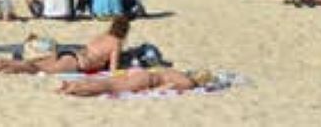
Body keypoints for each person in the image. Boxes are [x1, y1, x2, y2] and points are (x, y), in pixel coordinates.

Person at [0, 17, 129, 75]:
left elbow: (86, 49)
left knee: (35, 65)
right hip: (76, 63)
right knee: (38, 69)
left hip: (71, 54)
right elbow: (113, 69)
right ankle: (0, 62)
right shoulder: (116, 43)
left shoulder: (101, 36)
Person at [57, 67, 212, 97]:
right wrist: (152, 91)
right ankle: (73, 89)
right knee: (109, 86)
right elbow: (168, 86)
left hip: (143, 72)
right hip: (147, 80)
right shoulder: (188, 82)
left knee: (107, 80)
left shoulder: (178, 72)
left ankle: (72, 84)